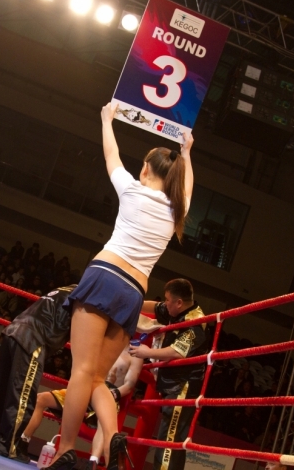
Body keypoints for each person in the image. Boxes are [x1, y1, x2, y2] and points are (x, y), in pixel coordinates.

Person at [44, 103, 193, 470]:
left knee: (81, 371)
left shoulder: (131, 188)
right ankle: (112, 440)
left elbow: (111, 154)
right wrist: (187, 152)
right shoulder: (178, 208)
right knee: (98, 379)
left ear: (144, 168)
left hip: (104, 276)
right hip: (133, 293)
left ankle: (64, 451)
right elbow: (187, 186)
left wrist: (106, 120)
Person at [0, 285, 76, 461]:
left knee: (1, 390)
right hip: (32, 339)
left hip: (13, 331)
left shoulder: (66, 289)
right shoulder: (87, 298)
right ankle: (9, 446)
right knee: (22, 395)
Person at [129, 279, 208, 470]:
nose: (165, 304)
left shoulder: (196, 323)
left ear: (179, 302)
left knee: (170, 437)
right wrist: (132, 300)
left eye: (168, 300)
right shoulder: (177, 310)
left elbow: (176, 351)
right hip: (173, 383)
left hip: (184, 385)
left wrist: (147, 353)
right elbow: (157, 307)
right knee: (171, 437)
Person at [22, 345, 144, 466]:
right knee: (40, 399)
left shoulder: (136, 351)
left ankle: (93, 463)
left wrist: (114, 393)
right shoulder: (103, 340)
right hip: (84, 389)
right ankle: (22, 443)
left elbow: (130, 384)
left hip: (109, 394)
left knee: (107, 423)